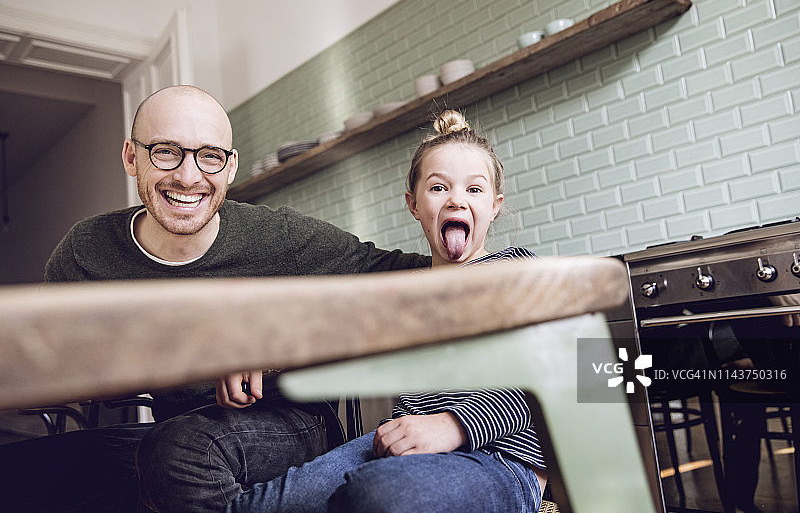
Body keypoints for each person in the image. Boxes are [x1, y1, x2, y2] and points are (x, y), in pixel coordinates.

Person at [0, 85, 429, 513]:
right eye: (166, 152)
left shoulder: (280, 237)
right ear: (131, 157)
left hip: (291, 421)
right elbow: (39, 367)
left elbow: (406, 279)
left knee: (176, 452)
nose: (188, 177)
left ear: (230, 167)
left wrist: (271, 342)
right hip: (174, 431)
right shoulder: (87, 249)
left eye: (209, 156)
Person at [225, 110, 548, 513]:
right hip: (398, 444)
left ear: (495, 205)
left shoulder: (515, 270)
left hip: (499, 461)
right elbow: (332, 333)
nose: (456, 200)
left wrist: (453, 425)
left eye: (474, 189)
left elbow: (548, 371)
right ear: (414, 205)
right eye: (438, 187)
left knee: (374, 494)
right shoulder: (407, 293)